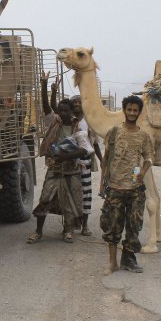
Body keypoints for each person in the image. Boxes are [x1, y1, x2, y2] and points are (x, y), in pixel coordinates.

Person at [99, 95, 154, 275]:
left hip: (135, 190)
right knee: (112, 225)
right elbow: (105, 159)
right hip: (115, 188)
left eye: (135, 110)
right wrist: (102, 184)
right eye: (129, 109)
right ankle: (112, 262)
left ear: (139, 112)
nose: (131, 113)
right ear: (124, 110)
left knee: (134, 225)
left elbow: (148, 159)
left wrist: (142, 173)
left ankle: (129, 260)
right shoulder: (114, 132)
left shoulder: (143, 136)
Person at [27, 98, 92, 244]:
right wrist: (45, 86)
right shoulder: (55, 124)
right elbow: (46, 106)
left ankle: (67, 230)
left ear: (71, 112)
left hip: (72, 170)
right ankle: (38, 231)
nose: (62, 113)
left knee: (70, 201)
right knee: (45, 198)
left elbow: (85, 150)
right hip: (55, 169)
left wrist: (65, 156)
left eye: (66, 110)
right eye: (60, 110)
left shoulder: (78, 128)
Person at [71, 95, 103, 236]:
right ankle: (71, 224)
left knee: (86, 194)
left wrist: (102, 160)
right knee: (71, 194)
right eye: (75, 102)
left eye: (80, 102)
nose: (77, 104)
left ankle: (85, 226)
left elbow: (94, 143)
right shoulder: (68, 120)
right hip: (70, 162)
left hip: (85, 162)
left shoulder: (89, 122)